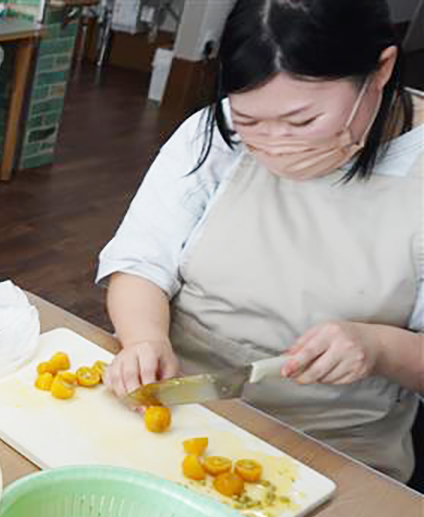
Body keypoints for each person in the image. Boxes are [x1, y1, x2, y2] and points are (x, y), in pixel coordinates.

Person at [97, 0, 423, 483]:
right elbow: (140, 263)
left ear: (381, 70)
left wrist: (379, 348)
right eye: (249, 121)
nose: (274, 146)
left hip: (335, 449)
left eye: (301, 122)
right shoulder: (212, 135)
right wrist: (145, 339)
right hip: (184, 406)